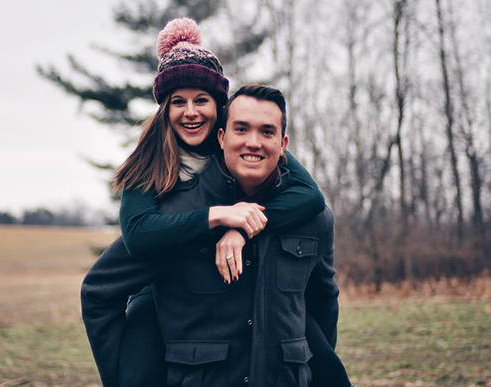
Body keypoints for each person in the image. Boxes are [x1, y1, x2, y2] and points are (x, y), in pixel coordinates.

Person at [81, 18, 350, 387]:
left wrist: (244, 229)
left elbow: (310, 198)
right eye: (179, 102)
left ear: (220, 112)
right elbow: (139, 237)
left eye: (202, 100)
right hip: (159, 287)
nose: (191, 112)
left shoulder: (246, 147)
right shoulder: (149, 163)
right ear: (165, 109)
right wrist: (218, 218)